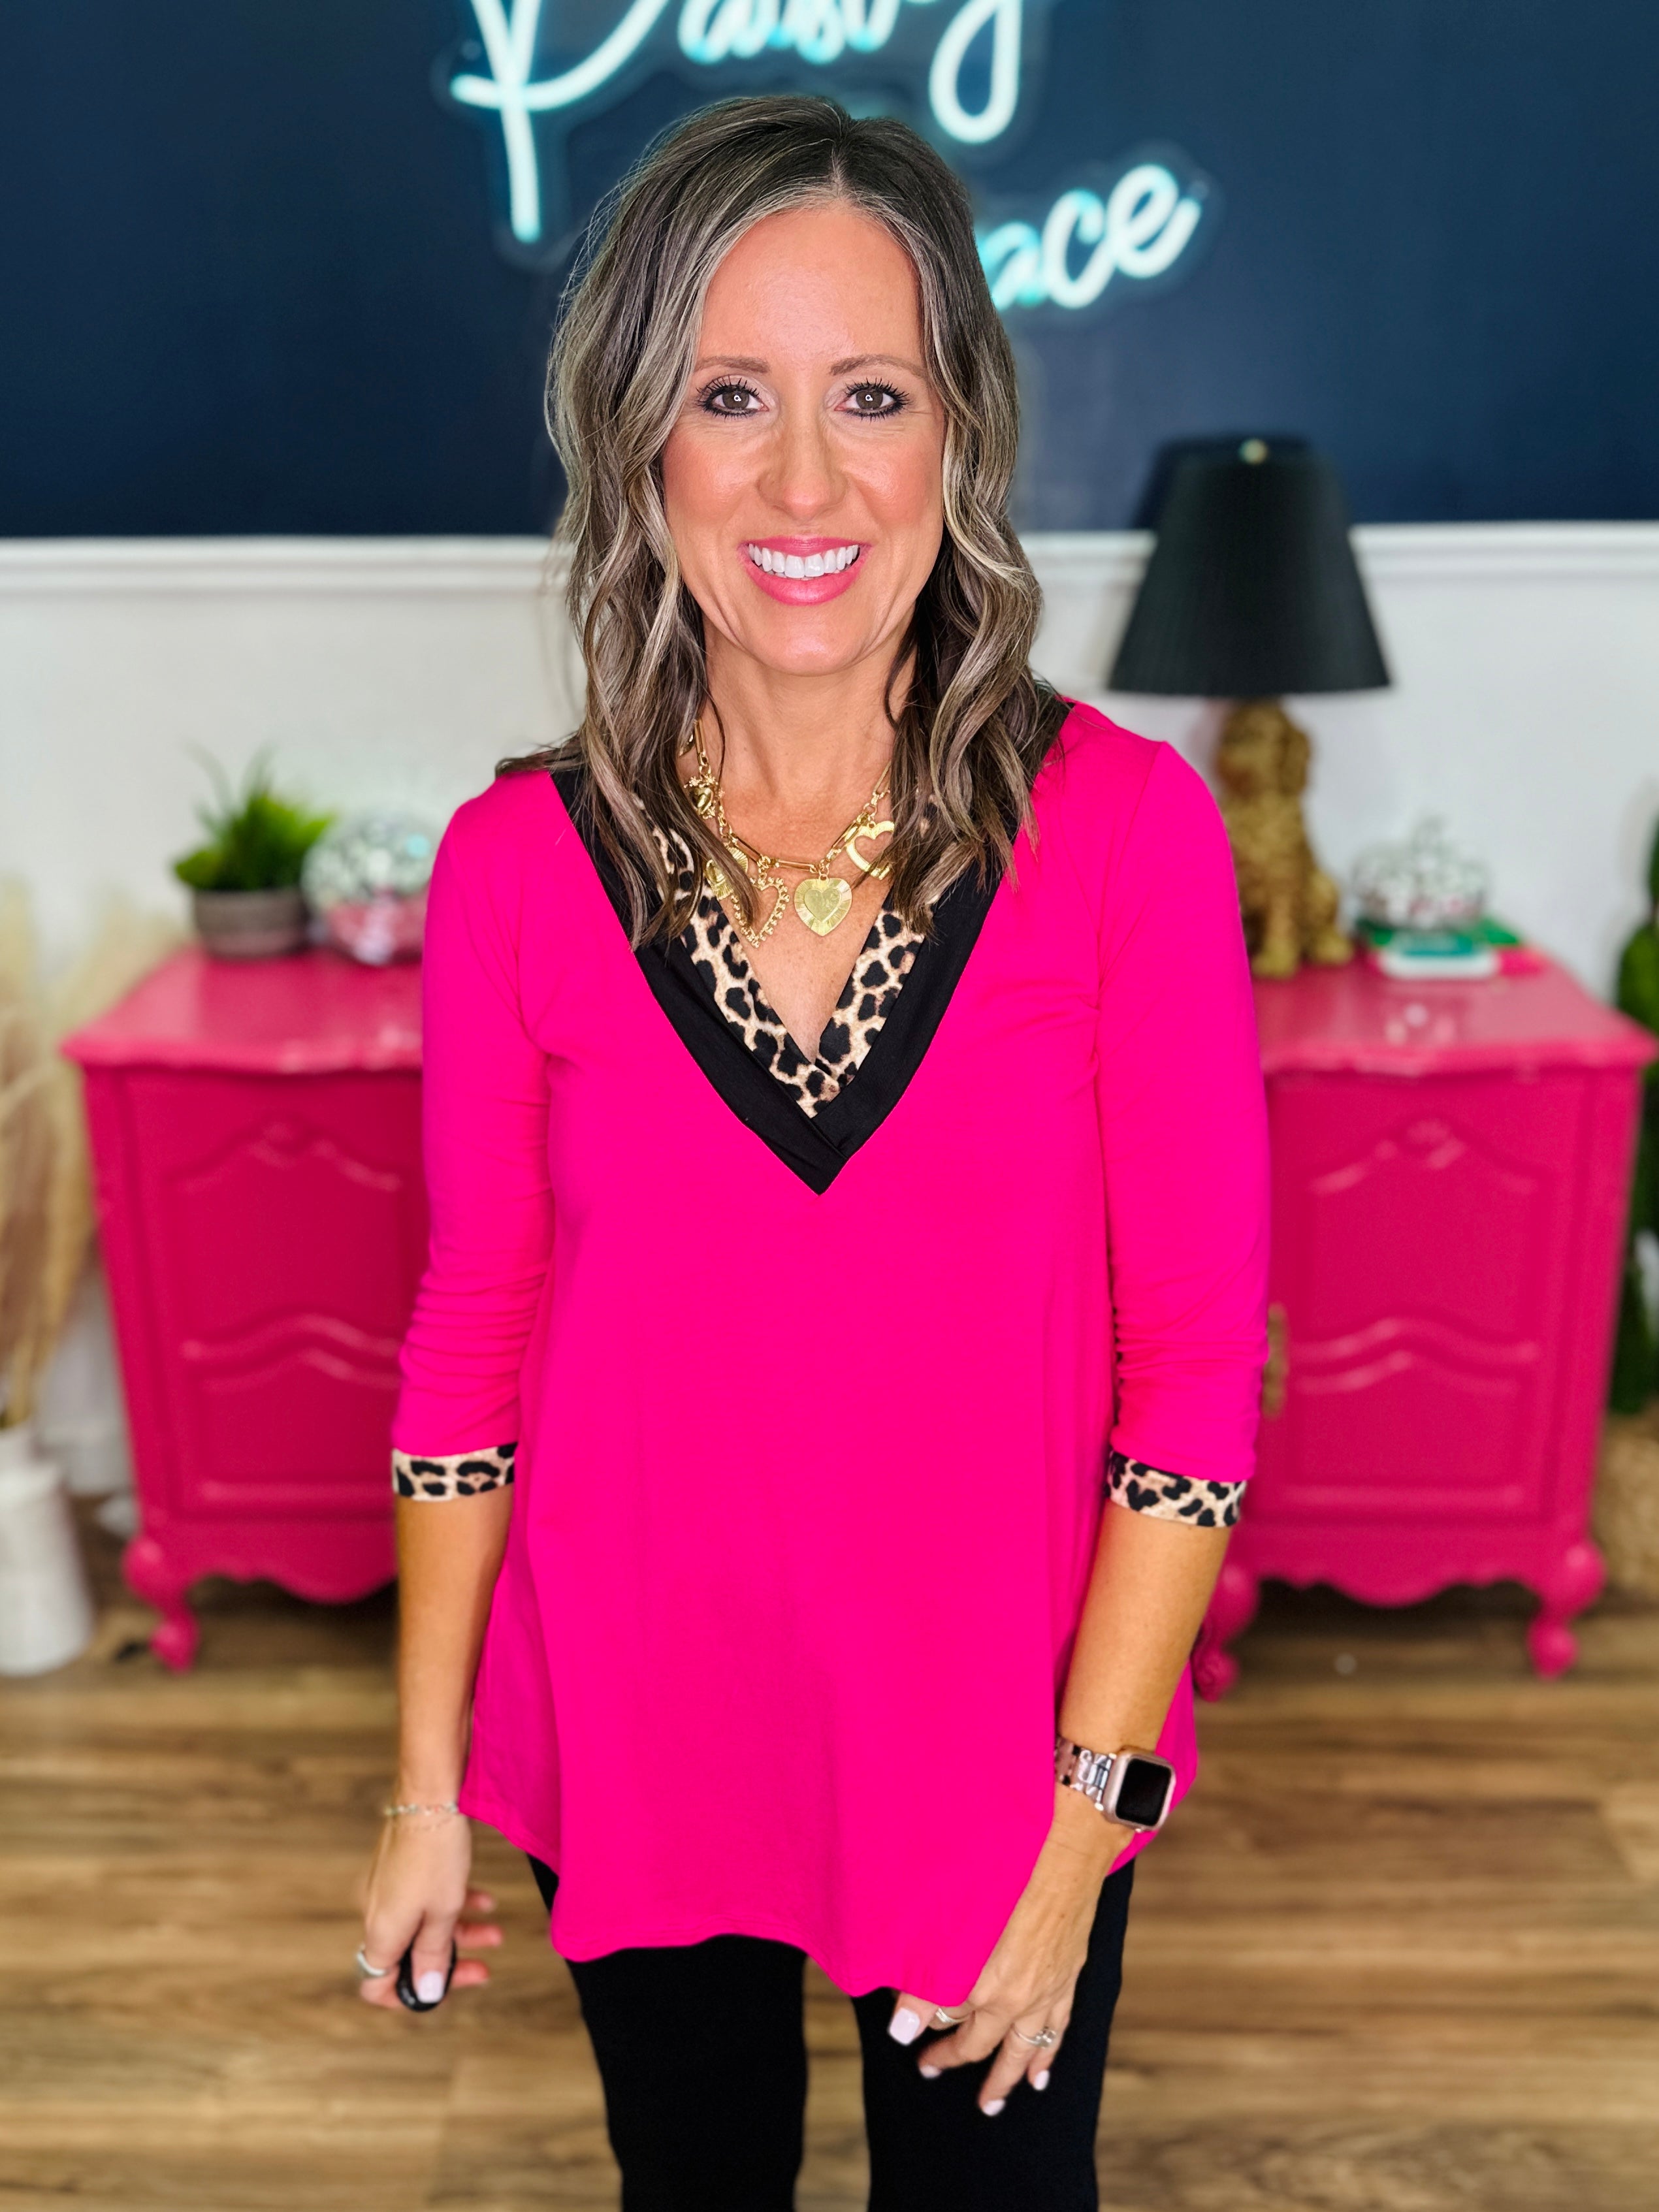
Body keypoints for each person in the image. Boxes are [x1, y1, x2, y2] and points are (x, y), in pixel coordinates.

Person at [356, 94, 1268, 2212]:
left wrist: (1082, 1828)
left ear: (956, 434)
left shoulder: (1122, 836)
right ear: (637, 445)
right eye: (726, 397)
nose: (799, 481)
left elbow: (1192, 1380)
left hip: (1001, 1760)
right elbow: (469, 1344)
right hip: (634, 1723)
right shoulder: (516, 866)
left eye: (869, 396)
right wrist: (420, 1789)